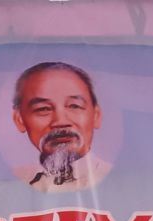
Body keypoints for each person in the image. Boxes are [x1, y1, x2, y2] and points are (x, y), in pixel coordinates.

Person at [11, 61, 111, 192]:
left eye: (74, 106)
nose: (60, 121)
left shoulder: (118, 178)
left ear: (96, 116)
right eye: (43, 109)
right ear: (19, 120)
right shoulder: (10, 183)